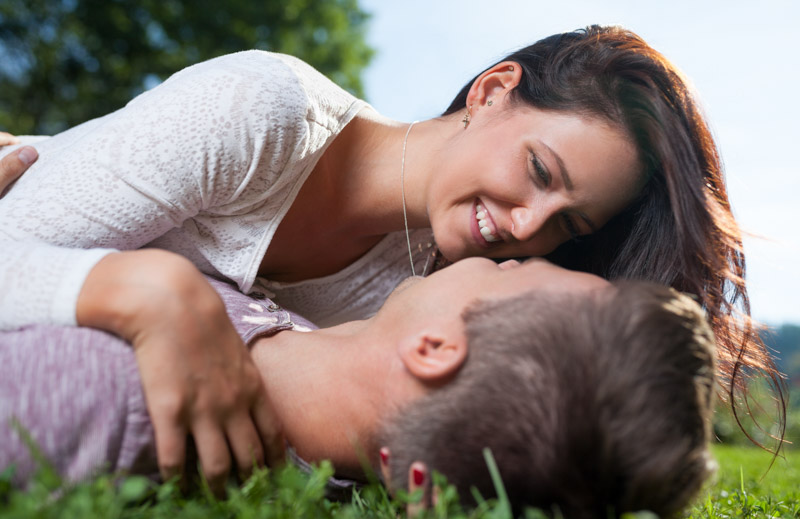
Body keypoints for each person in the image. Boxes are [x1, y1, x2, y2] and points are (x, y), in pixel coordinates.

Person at [0, 24, 777, 489]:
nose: (528, 225)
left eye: (567, 227)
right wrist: (149, 290)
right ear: (491, 92)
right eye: (540, 172)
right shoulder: (262, 114)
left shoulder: (430, 295)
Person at [1, 258, 717, 519]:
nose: (490, 255)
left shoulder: (118, 396)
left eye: (508, 267)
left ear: (435, 348)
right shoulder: (297, 338)